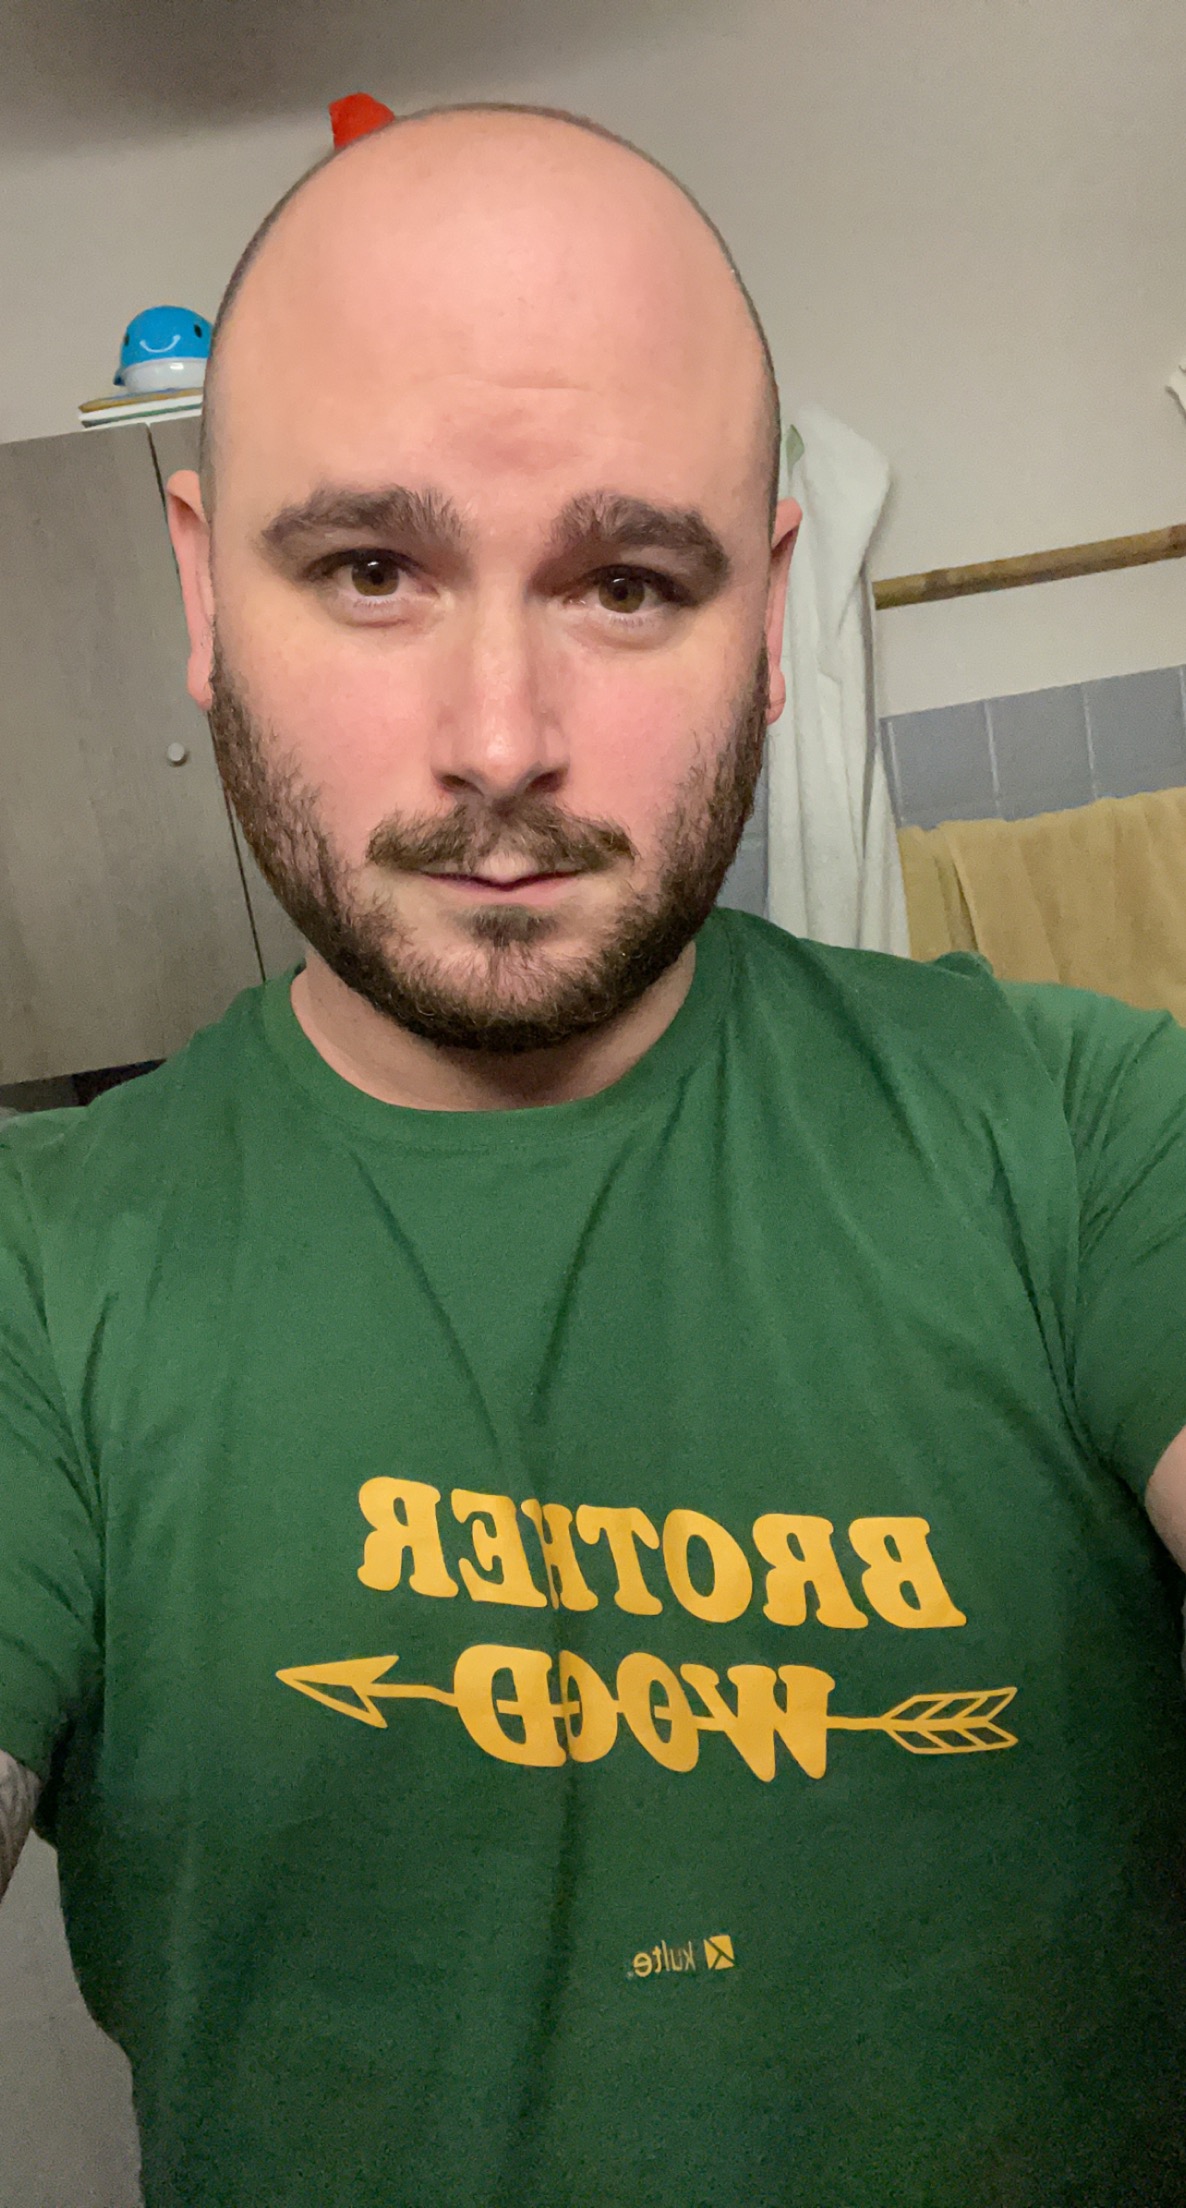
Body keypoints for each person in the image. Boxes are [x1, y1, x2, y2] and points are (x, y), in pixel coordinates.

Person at [3, 102, 1186, 2208]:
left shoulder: (1087, 1133)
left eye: (628, 583)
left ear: (769, 614)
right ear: (200, 587)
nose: (498, 739)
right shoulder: (35, 1274)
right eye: (371, 570)